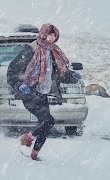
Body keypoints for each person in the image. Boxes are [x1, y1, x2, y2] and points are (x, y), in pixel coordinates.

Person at [7, 23, 82, 160]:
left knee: (47, 123)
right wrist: (19, 85)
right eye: (49, 34)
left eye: (54, 35)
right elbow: (12, 70)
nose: (52, 38)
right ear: (43, 34)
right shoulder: (31, 49)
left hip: (43, 92)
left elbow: (60, 73)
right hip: (30, 91)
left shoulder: (53, 52)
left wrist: (71, 75)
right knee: (48, 122)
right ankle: (27, 139)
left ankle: (34, 153)